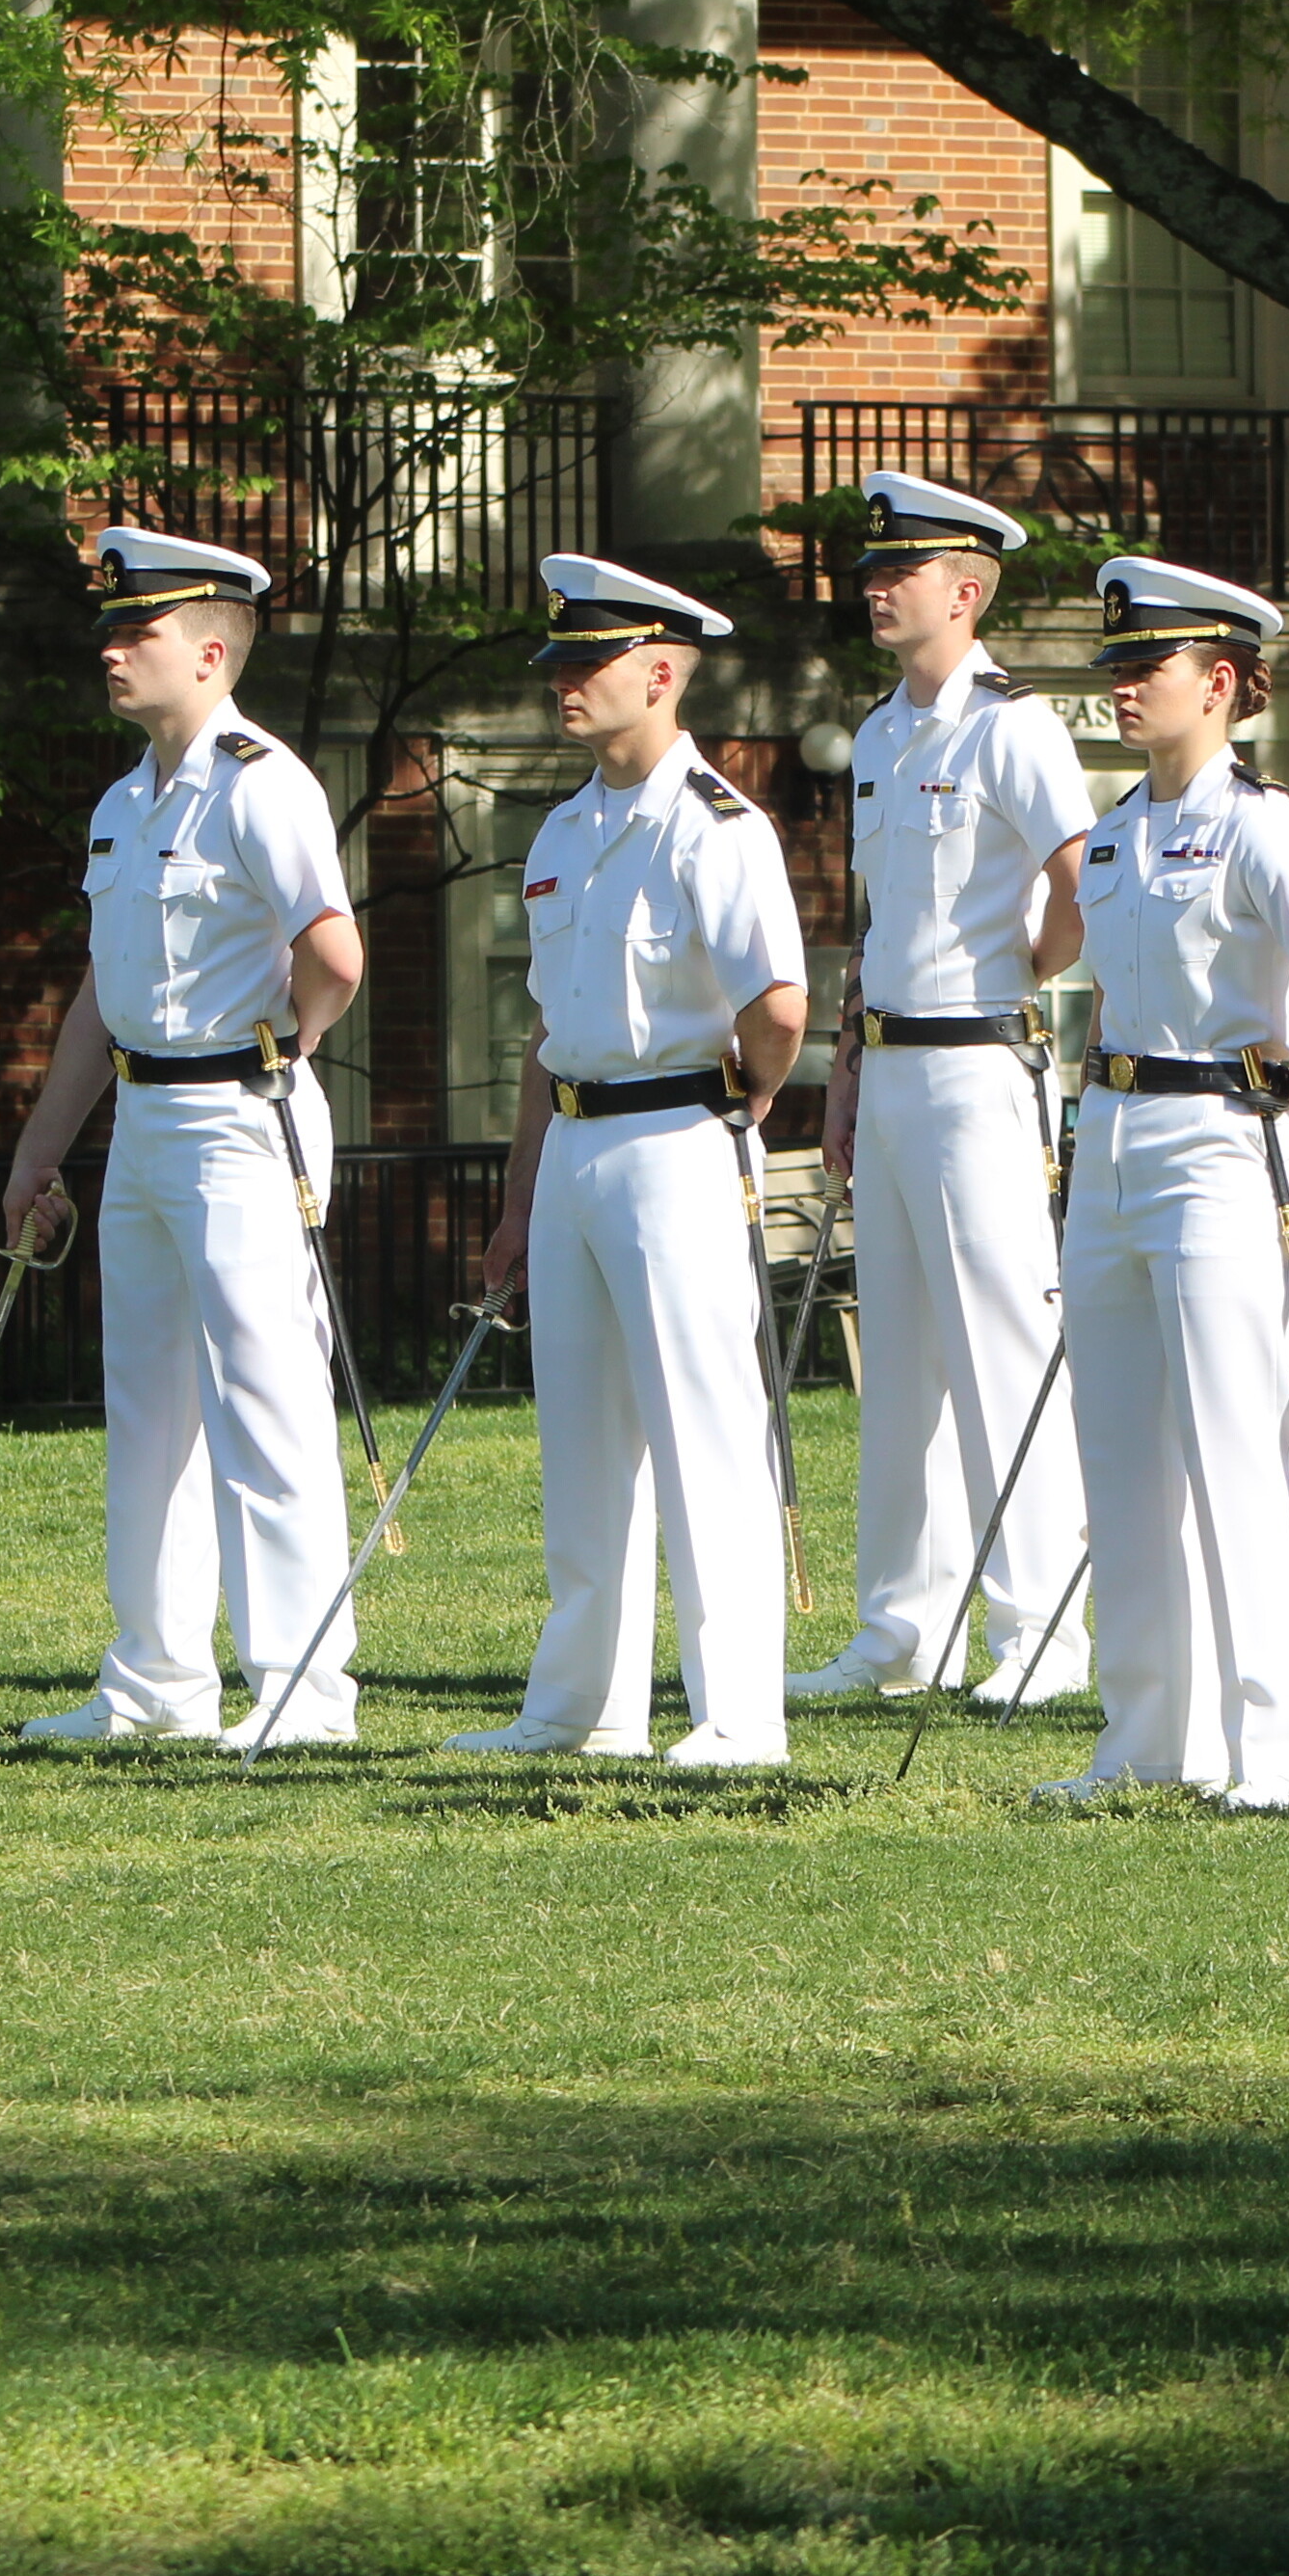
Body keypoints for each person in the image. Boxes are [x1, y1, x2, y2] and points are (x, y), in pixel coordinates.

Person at [0, 527, 369, 1754]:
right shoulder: (123, 802)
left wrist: (287, 1048)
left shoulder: (263, 783)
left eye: (138, 631)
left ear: (211, 653)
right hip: (146, 1117)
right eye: (110, 629)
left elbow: (334, 954)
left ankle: (303, 1691)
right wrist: (39, 1152)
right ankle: (154, 1681)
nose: (112, 649)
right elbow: (101, 997)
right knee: (148, 1407)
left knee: (265, 1402)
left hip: (239, 1113)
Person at [448, 555, 812, 1767]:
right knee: (583, 1442)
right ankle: (581, 1707)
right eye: (559, 661)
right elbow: (545, 1032)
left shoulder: (718, 824)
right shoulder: (562, 829)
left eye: (590, 661)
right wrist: (519, 1196)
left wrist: (746, 1096)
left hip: (676, 1137)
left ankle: (737, 1716)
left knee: (705, 1436)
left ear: (660, 674)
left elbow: (778, 1005)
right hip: (575, 1142)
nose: (566, 681)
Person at [1031, 559, 1289, 1808]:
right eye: (1118, 666)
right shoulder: (1115, 830)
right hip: (1116, 1130)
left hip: (1224, 1135)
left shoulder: (1260, 821)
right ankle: (1147, 1735)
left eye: (1150, 666)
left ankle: (1281, 1747)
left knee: (1239, 1443)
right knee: (1121, 1450)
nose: (1125, 686)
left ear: (1221, 681)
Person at [793, 470, 1102, 1707]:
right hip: (892, 1064)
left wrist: (1022, 973)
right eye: (873, 568)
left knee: (1003, 1350)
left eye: (901, 569)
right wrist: (844, 1075)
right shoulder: (879, 733)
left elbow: (1081, 880)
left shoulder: (1013, 727)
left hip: (980, 1064)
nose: (876, 585)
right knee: (904, 1356)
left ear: (967, 592)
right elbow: (878, 928)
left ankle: (1040, 1633)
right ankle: (900, 1633)